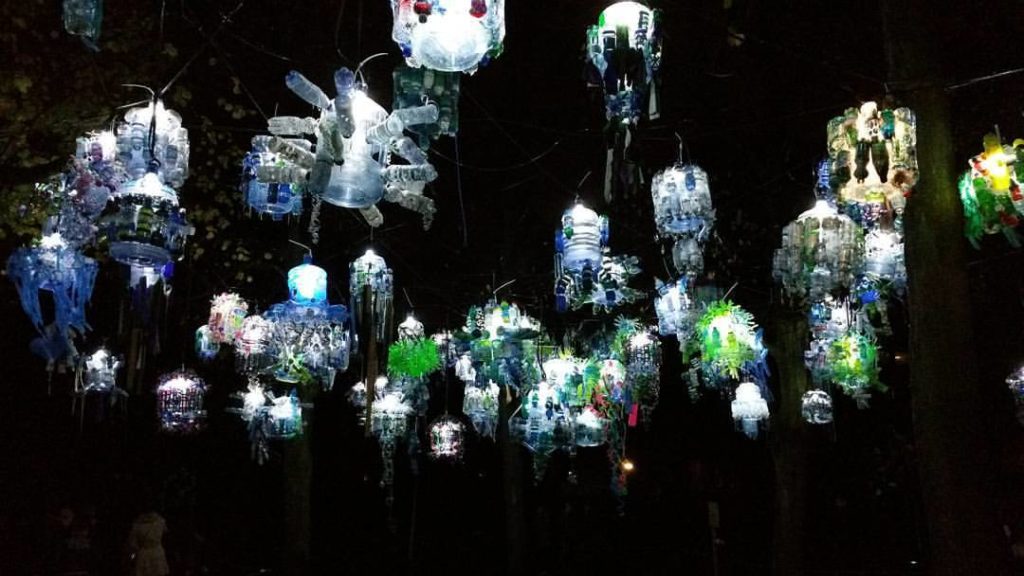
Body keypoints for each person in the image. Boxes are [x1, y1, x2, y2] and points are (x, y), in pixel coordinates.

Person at [126, 506, 169, 576]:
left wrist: (132, 556)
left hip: (144, 556)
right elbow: (165, 535)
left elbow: (133, 544)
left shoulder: (137, 525)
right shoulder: (161, 521)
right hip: (158, 553)